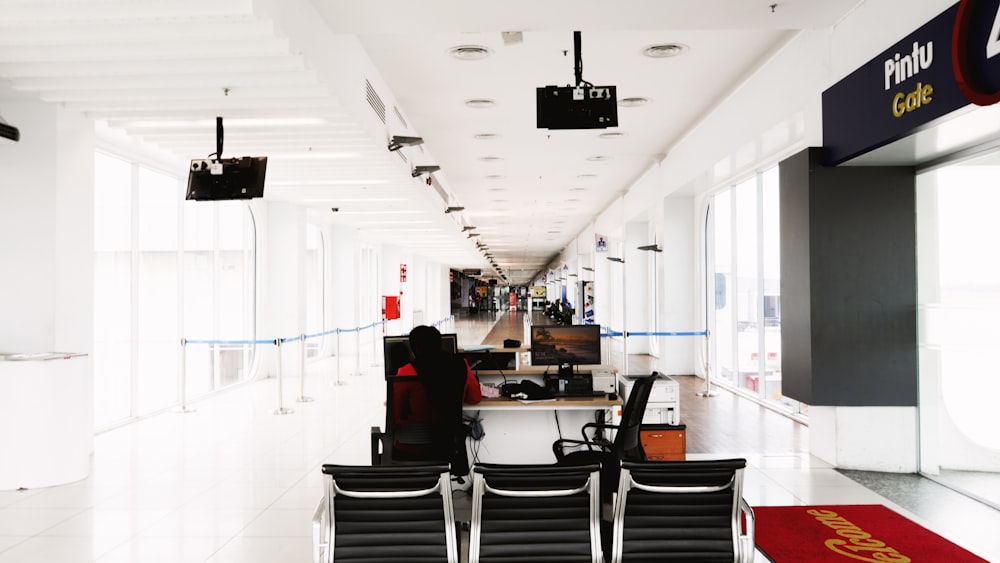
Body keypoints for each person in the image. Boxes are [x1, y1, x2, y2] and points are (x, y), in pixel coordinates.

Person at [393, 325, 482, 474]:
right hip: (448, 446)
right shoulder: (461, 365)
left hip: (411, 446)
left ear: (414, 347)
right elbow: (475, 398)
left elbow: (394, 413)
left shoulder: (406, 371)